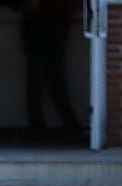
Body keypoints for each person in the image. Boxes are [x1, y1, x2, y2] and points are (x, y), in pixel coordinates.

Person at [20, 0, 86, 144]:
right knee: (45, 87)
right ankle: (66, 129)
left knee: (48, 86)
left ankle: (66, 129)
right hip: (43, 34)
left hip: (46, 34)